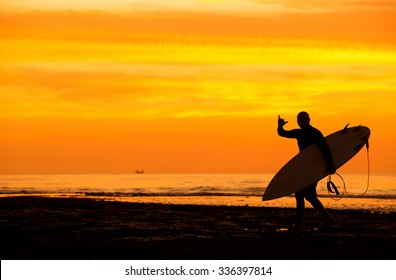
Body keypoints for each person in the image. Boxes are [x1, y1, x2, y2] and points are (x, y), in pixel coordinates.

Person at [277, 112, 336, 230]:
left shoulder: (316, 133)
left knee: (306, 195)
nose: (301, 121)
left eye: (303, 119)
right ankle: (306, 222)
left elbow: (325, 149)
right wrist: (280, 125)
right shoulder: (299, 133)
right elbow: (282, 133)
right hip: (304, 169)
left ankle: (327, 219)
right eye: (299, 119)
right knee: (303, 194)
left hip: (314, 169)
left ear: (309, 119)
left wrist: (330, 165)